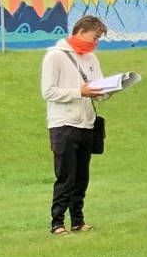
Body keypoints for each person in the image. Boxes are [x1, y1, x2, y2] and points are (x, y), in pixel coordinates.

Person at [41, 16, 109, 235]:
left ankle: (78, 220)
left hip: (87, 123)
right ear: (80, 31)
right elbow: (48, 92)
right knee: (65, 176)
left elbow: (98, 89)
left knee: (82, 176)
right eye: (94, 37)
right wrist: (79, 92)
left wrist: (107, 91)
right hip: (63, 124)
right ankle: (57, 222)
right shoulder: (55, 57)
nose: (95, 42)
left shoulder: (91, 59)